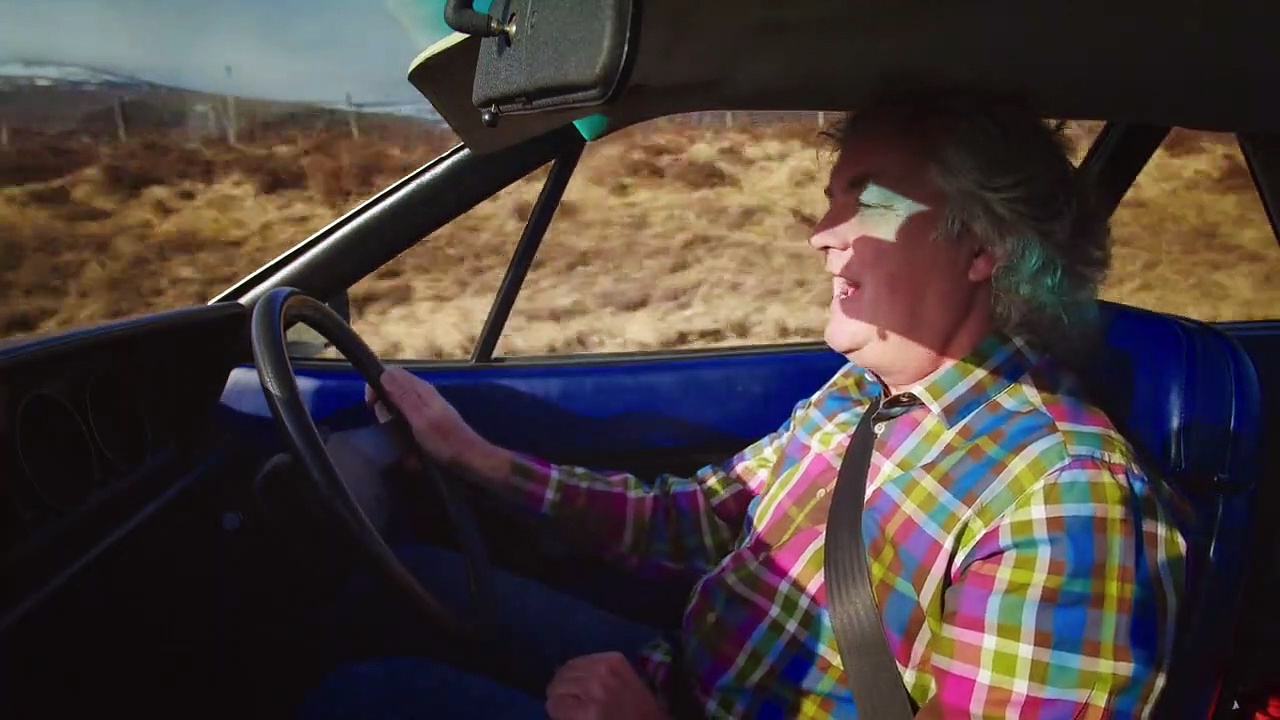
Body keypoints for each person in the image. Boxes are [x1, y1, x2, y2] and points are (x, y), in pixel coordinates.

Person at [299, 89, 1189, 719]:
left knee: (362, 698)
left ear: (982, 244)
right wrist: (472, 456)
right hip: (682, 674)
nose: (821, 236)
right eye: (830, 202)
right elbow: (700, 519)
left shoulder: (1066, 500)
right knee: (392, 586)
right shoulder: (862, 395)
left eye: (871, 202)